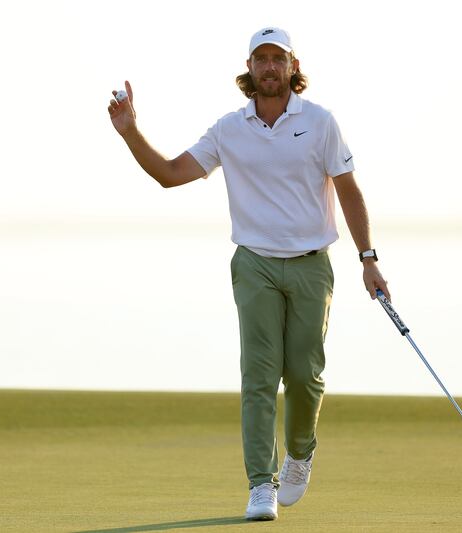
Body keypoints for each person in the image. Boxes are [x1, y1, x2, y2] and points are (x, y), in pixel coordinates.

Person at [107, 26, 390, 521]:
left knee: (304, 376)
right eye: (260, 58)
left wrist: (368, 258)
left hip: (310, 265)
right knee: (259, 378)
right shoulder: (229, 129)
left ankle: (300, 452)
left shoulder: (320, 123)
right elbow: (171, 174)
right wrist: (131, 131)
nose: (268, 67)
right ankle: (262, 482)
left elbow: (347, 190)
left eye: (277, 58)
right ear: (249, 68)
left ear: (293, 67)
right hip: (254, 263)